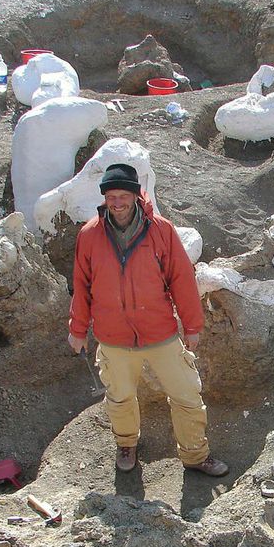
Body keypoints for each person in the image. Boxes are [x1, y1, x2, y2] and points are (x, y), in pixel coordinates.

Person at [68, 163, 228, 478]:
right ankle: (126, 444)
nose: (117, 203)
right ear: (104, 199)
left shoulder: (161, 230)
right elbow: (81, 286)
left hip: (160, 333)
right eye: (111, 196)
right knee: (120, 397)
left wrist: (192, 326)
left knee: (186, 394)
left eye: (122, 195)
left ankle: (196, 455)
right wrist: (77, 330)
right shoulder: (90, 235)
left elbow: (182, 279)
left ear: (136, 195)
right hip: (113, 337)